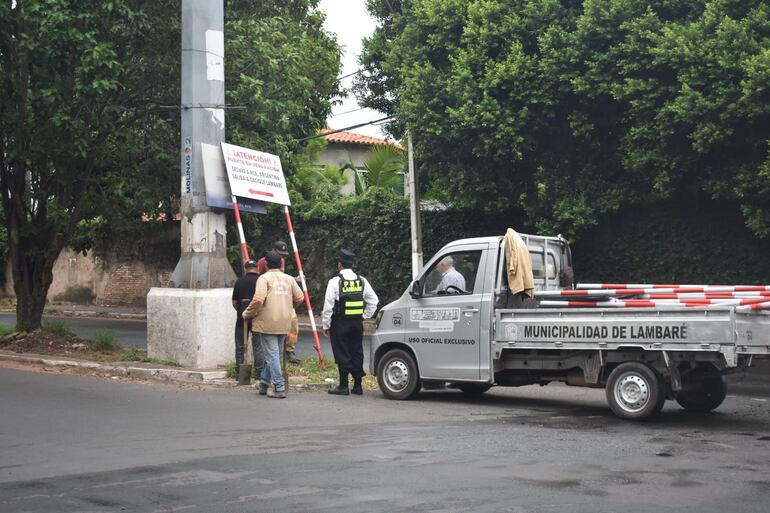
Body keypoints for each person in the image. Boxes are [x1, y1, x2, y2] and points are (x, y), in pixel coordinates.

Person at [242, 250, 304, 399]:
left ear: (266, 264)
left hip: (267, 323)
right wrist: (288, 306)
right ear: (280, 263)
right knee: (273, 353)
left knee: (272, 355)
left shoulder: (264, 279)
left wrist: (247, 313)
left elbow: (258, 299)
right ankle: (263, 383)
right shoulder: (289, 279)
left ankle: (279, 386)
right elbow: (300, 297)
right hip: (284, 321)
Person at [322, 249, 378, 396]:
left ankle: (343, 385)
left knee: (342, 352)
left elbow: (328, 306)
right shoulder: (362, 280)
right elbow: (374, 301)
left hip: (340, 323)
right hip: (357, 324)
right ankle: (358, 386)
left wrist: (326, 325)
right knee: (356, 352)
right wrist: (364, 316)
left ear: (339, 264)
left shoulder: (335, 281)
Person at [257, 241, 301, 364]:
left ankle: (290, 351)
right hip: (269, 297)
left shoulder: (282, 261)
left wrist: (293, 280)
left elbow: (281, 277)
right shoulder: (262, 262)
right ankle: (273, 359)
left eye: (283, 255)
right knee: (272, 328)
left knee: (293, 323)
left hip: (283, 296)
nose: (282, 257)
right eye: (280, 254)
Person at [231, 259, 263, 380]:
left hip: (241, 318)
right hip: (257, 319)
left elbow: (234, 302)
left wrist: (241, 311)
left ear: (246, 269)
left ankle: (239, 373)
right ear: (257, 268)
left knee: (240, 345)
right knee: (258, 346)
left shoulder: (239, 282)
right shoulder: (261, 281)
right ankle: (259, 373)